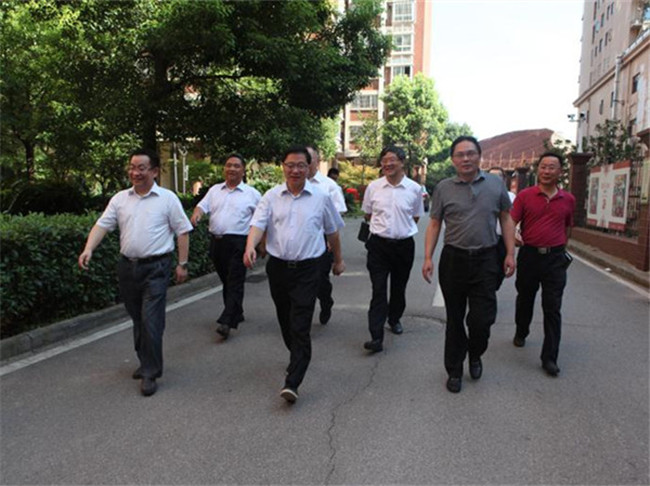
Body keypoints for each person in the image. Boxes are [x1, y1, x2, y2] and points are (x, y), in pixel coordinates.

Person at [78, 148, 192, 397]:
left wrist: (182, 264)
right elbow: (102, 225)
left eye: (141, 168)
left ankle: (151, 372)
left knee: (151, 319)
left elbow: (182, 231)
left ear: (154, 171)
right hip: (128, 267)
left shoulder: (167, 199)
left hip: (157, 267)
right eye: (132, 167)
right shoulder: (120, 199)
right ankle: (145, 360)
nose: (135, 172)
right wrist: (88, 248)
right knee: (138, 318)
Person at [243, 146, 345, 403]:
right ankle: (296, 354)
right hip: (278, 267)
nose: (295, 170)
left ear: (309, 167)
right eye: (291, 165)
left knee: (300, 323)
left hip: (309, 268)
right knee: (285, 319)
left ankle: (293, 381)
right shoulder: (271, 196)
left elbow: (332, 231)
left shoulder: (321, 197)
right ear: (283, 167)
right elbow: (258, 224)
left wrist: (338, 260)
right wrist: (250, 247)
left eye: (301, 165)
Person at [422, 136, 515, 393]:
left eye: (470, 153)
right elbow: (434, 224)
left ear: (479, 156)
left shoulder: (495, 184)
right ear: (453, 159)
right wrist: (428, 257)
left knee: (482, 319)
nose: (466, 158)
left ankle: (475, 353)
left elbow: (506, 218)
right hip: (454, 259)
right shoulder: (443, 188)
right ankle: (454, 370)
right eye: (460, 154)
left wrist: (510, 253)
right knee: (454, 319)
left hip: (487, 259)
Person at [510, 152, 576, 377]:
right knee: (525, 298)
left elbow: (567, 227)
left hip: (555, 259)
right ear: (538, 170)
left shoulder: (568, 199)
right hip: (529, 255)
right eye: (543, 167)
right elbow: (511, 222)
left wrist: (562, 249)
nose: (547, 171)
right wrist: (513, 240)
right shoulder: (525, 196)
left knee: (552, 307)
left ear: (560, 171)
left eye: (552, 167)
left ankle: (550, 358)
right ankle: (521, 330)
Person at [190, 154, 261, 339]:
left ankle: (227, 321)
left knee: (235, 279)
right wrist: (197, 214)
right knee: (227, 280)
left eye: (236, 166)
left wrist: (260, 245)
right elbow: (201, 206)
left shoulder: (252, 194)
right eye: (229, 165)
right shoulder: (215, 190)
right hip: (217, 242)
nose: (232, 169)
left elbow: (261, 220)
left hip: (240, 243)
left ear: (243, 170)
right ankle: (237, 311)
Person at [361, 145, 424, 353]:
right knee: (378, 290)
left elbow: (415, 216)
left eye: (392, 160)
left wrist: (399, 229)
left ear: (402, 162)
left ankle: (394, 318)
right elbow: (368, 214)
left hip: (403, 246)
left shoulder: (414, 189)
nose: (387, 164)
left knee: (399, 287)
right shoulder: (374, 187)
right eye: (384, 160)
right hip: (378, 245)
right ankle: (376, 336)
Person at [306, 146, 347, 325]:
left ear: (317, 161)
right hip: (300, 241)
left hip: (322, 240)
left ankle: (326, 301)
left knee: (320, 280)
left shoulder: (329, 186)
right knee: (302, 282)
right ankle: (302, 318)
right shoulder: (291, 184)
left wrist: (331, 239)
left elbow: (338, 214)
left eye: (310, 159)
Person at [488, 167, 517, 290]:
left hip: (502, 240)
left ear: (504, 179)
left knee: (500, 271)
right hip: (486, 239)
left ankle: (491, 289)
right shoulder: (481, 195)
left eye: (498, 176)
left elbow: (514, 218)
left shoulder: (511, 196)